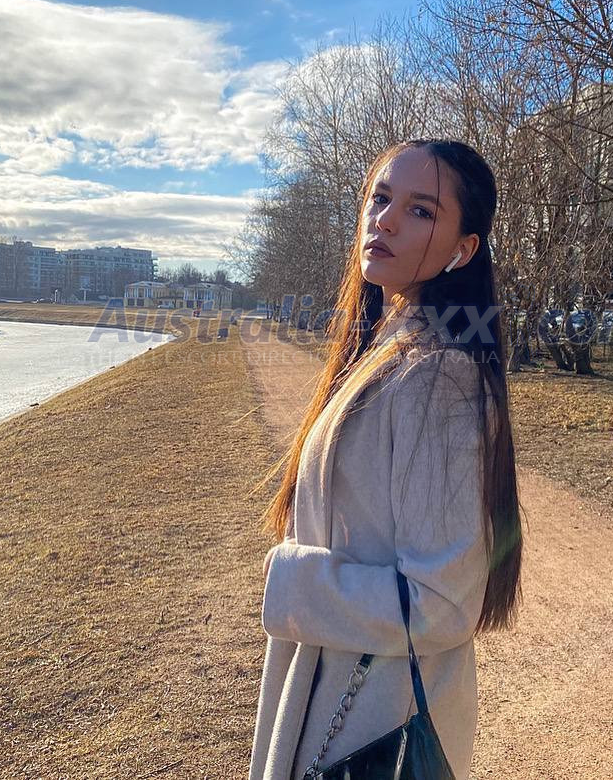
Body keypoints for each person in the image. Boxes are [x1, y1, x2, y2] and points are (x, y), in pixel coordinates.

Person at [248, 140, 524, 780]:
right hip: (342, 686)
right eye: (380, 198)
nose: (387, 220)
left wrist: (296, 583)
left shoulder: (438, 376)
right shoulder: (384, 345)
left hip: (375, 720)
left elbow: (440, 604)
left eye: (421, 210)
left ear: (462, 249)